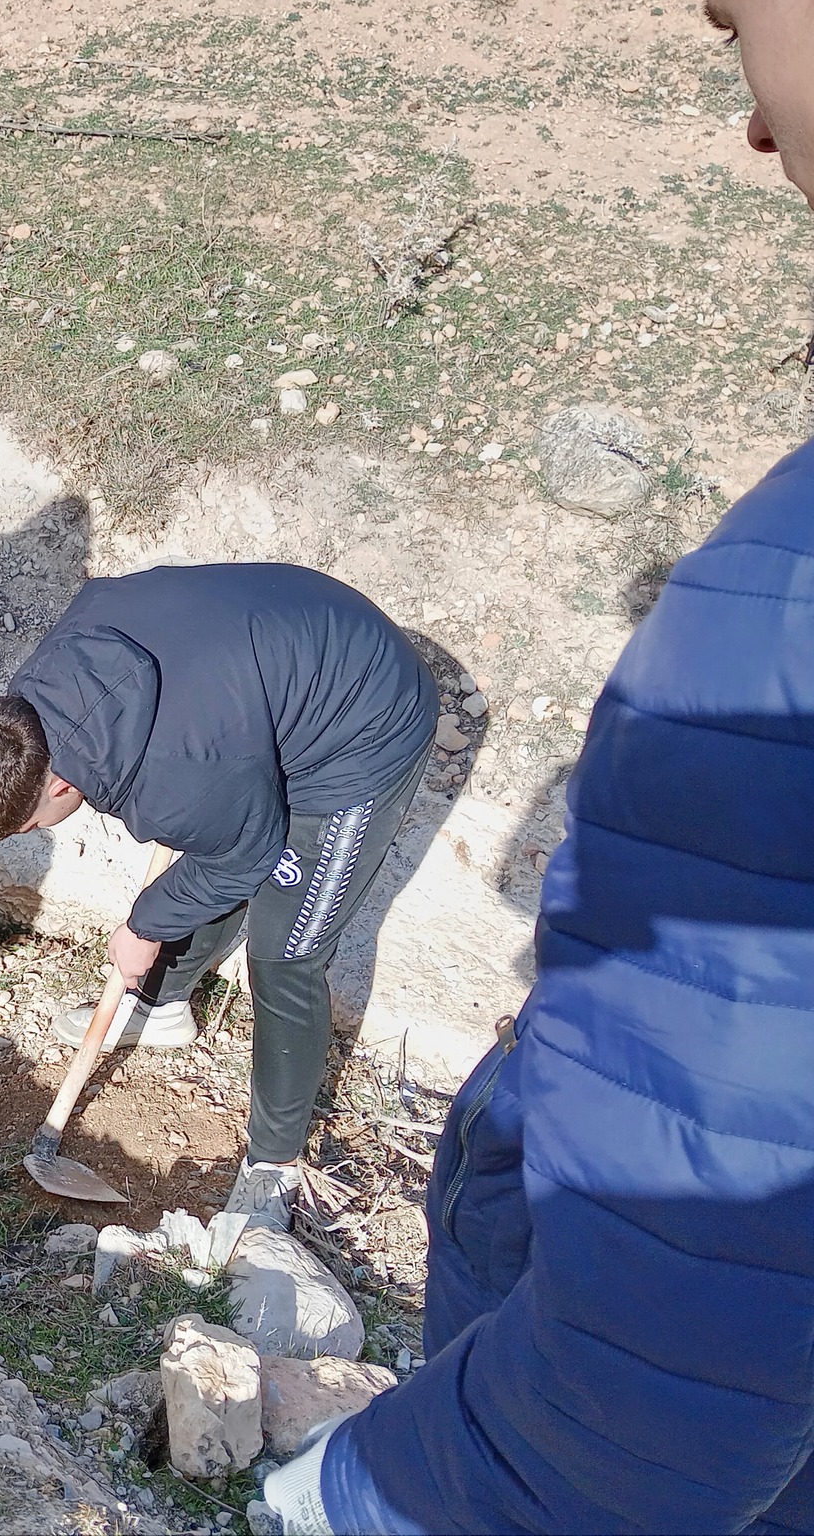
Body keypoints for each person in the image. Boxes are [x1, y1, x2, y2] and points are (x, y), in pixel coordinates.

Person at [258, 3, 814, 1528]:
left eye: (739, 22)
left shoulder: (780, 622)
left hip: (599, 1470)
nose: (751, 121)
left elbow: (669, 1363)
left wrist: (354, 1497)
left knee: (282, 937)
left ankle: (266, 1149)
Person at [0, 565, 436, 1229]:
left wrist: (144, 927)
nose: (36, 833)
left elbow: (246, 853)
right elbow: (218, 829)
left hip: (364, 723)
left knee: (283, 953)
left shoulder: (179, 778)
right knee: (215, 839)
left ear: (57, 786)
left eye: (29, 825)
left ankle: (274, 1167)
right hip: (265, 680)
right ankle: (162, 1004)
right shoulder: (33, 697)